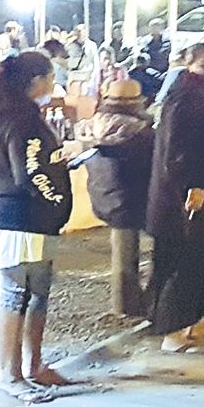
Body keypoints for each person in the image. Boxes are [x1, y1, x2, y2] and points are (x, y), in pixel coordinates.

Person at [0, 51, 75, 402]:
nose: (53, 84)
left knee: (37, 291)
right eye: (51, 77)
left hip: (22, 214)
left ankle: (32, 365)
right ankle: (8, 373)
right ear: (36, 81)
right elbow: (30, 172)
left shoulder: (4, 115)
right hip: (18, 215)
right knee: (14, 291)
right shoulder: (20, 120)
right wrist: (55, 197)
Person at [149, 45, 204, 350]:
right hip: (185, 198)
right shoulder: (187, 99)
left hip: (200, 192)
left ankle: (192, 321)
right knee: (183, 261)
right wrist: (193, 186)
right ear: (190, 64)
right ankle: (173, 330)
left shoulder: (198, 95)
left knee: (200, 260)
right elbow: (179, 151)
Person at [79, 78, 155, 317]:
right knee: (131, 255)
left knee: (122, 250)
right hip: (133, 196)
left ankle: (125, 303)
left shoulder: (92, 127)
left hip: (103, 193)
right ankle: (128, 305)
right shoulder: (140, 132)